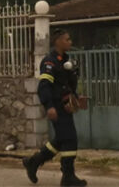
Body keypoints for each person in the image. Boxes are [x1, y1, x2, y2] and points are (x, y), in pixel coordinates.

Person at [23, 28, 87, 186]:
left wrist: (76, 98)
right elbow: (44, 86)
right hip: (57, 106)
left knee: (61, 139)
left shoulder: (66, 61)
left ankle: (33, 162)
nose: (70, 42)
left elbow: (68, 85)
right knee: (70, 139)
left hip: (66, 106)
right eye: (67, 39)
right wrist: (49, 106)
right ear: (58, 42)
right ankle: (68, 176)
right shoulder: (50, 62)